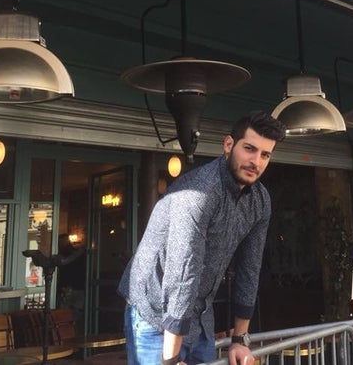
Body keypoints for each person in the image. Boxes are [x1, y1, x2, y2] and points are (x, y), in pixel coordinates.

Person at [118, 111, 286, 365]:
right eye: (249, 149)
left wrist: (240, 340)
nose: (257, 161)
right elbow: (182, 271)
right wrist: (171, 360)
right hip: (154, 312)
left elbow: (249, 269)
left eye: (265, 154)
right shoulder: (199, 192)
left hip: (200, 315)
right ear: (228, 145)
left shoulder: (260, 201)